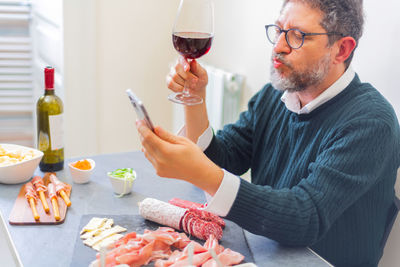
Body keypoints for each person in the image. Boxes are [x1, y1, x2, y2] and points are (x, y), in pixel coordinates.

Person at [136, 0, 400, 266]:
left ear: (341, 49)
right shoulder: (275, 96)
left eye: (297, 36)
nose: (278, 47)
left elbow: (305, 216)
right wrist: (195, 99)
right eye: (278, 30)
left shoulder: (371, 122)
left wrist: (200, 172)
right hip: (266, 252)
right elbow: (226, 158)